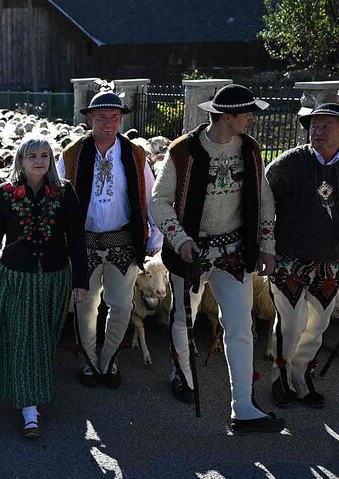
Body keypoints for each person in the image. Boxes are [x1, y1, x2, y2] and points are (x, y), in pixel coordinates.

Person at [150, 84, 284, 433]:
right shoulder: (183, 152)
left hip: (233, 253)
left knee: (241, 325)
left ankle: (243, 406)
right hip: (190, 253)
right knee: (183, 319)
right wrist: (179, 239)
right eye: (247, 113)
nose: (253, 118)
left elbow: (265, 200)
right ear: (227, 117)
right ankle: (183, 374)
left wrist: (266, 245)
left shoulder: (251, 150)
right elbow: (158, 201)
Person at [0, 136, 88, 438]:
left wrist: (81, 280)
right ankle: (30, 411)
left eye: (44, 155)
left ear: (51, 160)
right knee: (25, 339)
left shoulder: (65, 193)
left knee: (43, 340)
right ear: (21, 161)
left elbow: (76, 238)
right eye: (31, 156)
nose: (39, 161)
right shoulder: (6, 193)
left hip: (54, 276)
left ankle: (31, 390)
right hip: (17, 276)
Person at [57, 91, 163, 389]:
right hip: (84, 241)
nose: (108, 123)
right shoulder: (72, 154)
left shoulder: (134, 153)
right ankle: (90, 360)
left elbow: (148, 194)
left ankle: (108, 359)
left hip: (122, 240)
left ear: (121, 120)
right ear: (89, 119)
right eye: (101, 117)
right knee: (86, 304)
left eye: (114, 117)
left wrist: (154, 233)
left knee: (121, 305)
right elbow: (60, 197)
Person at [266, 103, 339, 409]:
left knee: (318, 325)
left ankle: (302, 375)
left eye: (327, 127)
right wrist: (264, 248)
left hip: (330, 261)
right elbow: (264, 205)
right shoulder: (288, 164)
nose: (318, 132)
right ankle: (280, 375)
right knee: (291, 323)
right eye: (314, 125)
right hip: (289, 258)